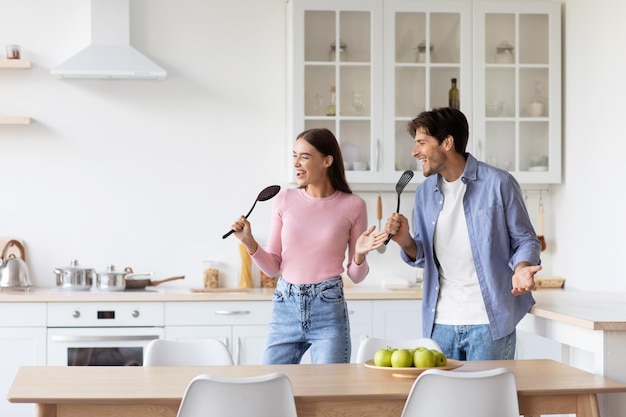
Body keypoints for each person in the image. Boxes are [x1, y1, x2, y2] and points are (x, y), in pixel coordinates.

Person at [384, 107, 542, 361]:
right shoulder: (425, 193)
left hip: (488, 321)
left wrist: (522, 267)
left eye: (422, 143)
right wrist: (405, 241)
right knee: (443, 400)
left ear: (447, 142)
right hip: (440, 322)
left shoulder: (498, 183)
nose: (415, 152)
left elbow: (525, 239)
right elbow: (424, 255)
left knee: (487, 400)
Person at [230, 128, 387, 364]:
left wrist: (360, 255)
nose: (296, 163)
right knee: (270, 384)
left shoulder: (354, 205)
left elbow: (356, 276)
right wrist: (248, 242)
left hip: (328, 307)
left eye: (304, 156)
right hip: (286, 304)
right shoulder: (284, 199)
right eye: (294, 155)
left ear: (327, 160)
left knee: (328, 392)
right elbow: (273, 267)